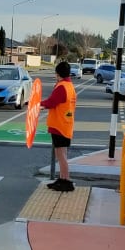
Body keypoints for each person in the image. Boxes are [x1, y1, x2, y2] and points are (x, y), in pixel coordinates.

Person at [41, 60, 77, 191]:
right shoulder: (69, 86)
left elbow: (51, 102)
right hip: (65, 124)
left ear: (58, 73)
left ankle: (66, 181)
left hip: (59, 125)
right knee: (61, 153)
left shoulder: (62, 87)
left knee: (61, 154)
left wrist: (38, 104)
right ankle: (62, 179)